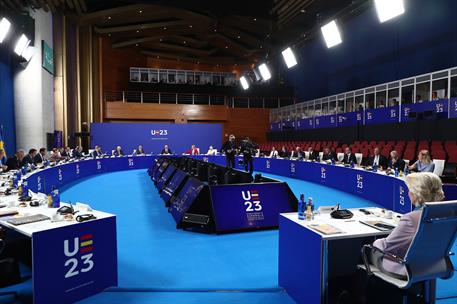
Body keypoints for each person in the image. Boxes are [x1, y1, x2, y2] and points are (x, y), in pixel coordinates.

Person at [371, 172, 444, 278]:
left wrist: (375, 241)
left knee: (367, 250)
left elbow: (386, 247)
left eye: (410, 189)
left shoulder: (410, 219)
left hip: (407, 268)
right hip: (434, 265)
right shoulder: (444, 215)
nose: (408, 193)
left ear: (416, 193)